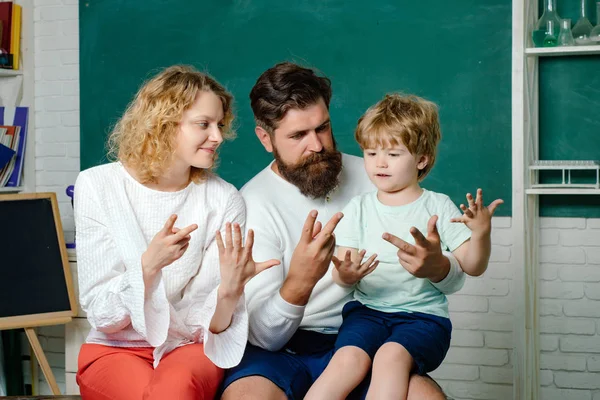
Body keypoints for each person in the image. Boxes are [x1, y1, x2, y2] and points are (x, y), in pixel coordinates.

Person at [221, 62, 468, 400]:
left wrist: (439, 267)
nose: (318, 145)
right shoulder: (252, 204)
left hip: (359, 340)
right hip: (277, 353)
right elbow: (265, 337)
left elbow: (454, 277)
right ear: (266, 138)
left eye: (322, 128)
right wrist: (301, 280)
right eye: (298, 136)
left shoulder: (376, 176)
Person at [74, 65, 278, 400]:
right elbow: (102, 315)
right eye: (204, 124)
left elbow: (206, 321)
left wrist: (229, 293)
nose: (218, 136)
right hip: (116, 349)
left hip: (188, 348)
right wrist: (147, 268)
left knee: (173, 391)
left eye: (219, 125)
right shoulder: (98, 186)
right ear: (164, 123)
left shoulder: (224, 199)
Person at [304, 93, 504, 399]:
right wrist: (346, 273)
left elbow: (473, 267)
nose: (379, 163)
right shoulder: (359, 207)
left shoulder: (438, 205)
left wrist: (480, 234)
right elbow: (342, 272)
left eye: (393, 155)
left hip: (423, 319)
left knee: (390, 357)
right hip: (367, 313)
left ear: (421, 159)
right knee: (345, 361)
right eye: (371, 154)